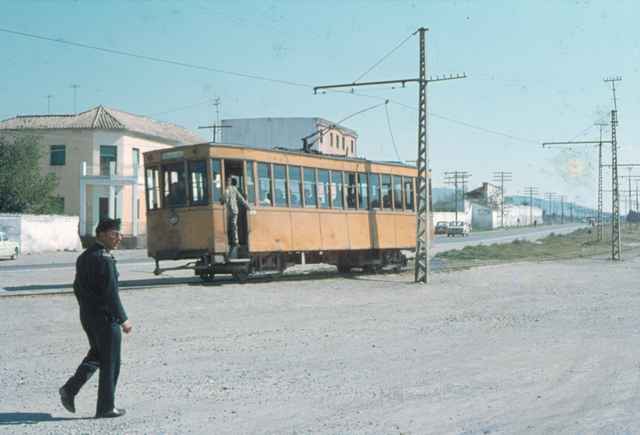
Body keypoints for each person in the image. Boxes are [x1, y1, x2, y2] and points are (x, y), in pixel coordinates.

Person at [59, 218, 133, 419]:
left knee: (98, 356)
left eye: (119, 234)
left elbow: (76, 288)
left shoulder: (84, 256)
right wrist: (123, 319)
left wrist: (87, 308)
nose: (119, 238)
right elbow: (111, 294)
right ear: (101, 235)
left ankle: (70, 390)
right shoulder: (104, 259)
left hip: (88, 316)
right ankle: (105, 407)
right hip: (106, 319)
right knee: (111, 362)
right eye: (114, 234)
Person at [223, 177, 251, 247]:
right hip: (232, 210)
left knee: (231, 225)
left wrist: (222, 201)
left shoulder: (229, 189)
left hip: (230, 210)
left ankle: (232, 241)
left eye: (228, 181)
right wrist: (247, 206)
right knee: (233, 225)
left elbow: (226, 199)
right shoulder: (233, 189)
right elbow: (241, 198)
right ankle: (234, 240)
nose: (227, 182)